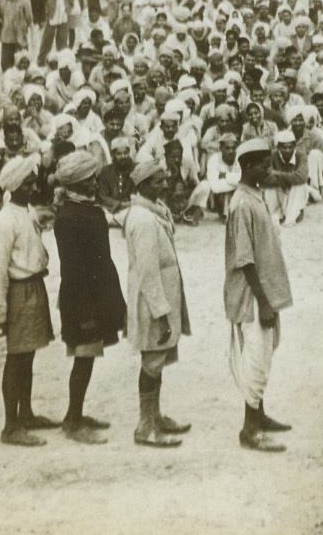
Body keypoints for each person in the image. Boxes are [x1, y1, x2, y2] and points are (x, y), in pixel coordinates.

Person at [52, 150, 126, 444]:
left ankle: (77, 413)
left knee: (89, 356)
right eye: (89, 180)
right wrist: (85, 314)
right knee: (83, 357)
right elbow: (74, 271)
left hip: (96, 294)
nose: (95, 184)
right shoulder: (69, 217)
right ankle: (72, 419)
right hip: (82, 299)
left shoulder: (88, 210)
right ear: (76, 184)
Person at [224, 138, 293, 452]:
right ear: (248, 166)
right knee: (255, 359)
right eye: (263, 164)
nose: (268, 168)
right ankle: (248, 430)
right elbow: (244, 259)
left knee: (264, 353)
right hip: (253, 296)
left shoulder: (256, 196)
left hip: (265, 291)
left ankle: (260, 416)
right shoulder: (241, 203)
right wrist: (263, 301)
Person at [0, 155, 56, 447]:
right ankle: (10, 425)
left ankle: (26, 413)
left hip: (34, 287)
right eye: (27, 183)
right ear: (14, 185)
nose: (33, 187)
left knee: (28, 355)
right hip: (18, 291)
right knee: (16, 358)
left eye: (33, 181)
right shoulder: (4, 222)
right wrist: (1, 312)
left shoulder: (26, 211)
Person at [124, 159, 191, 447]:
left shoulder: (154, 212)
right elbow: (149, 271)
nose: (165, 184)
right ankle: (145, 426)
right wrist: (161, 313)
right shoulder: (142, 219)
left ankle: (156, 416)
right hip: (153, 302)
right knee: (151, 363)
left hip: (161, 298)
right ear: (142, 186)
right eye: (158, 181)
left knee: (158, 359)